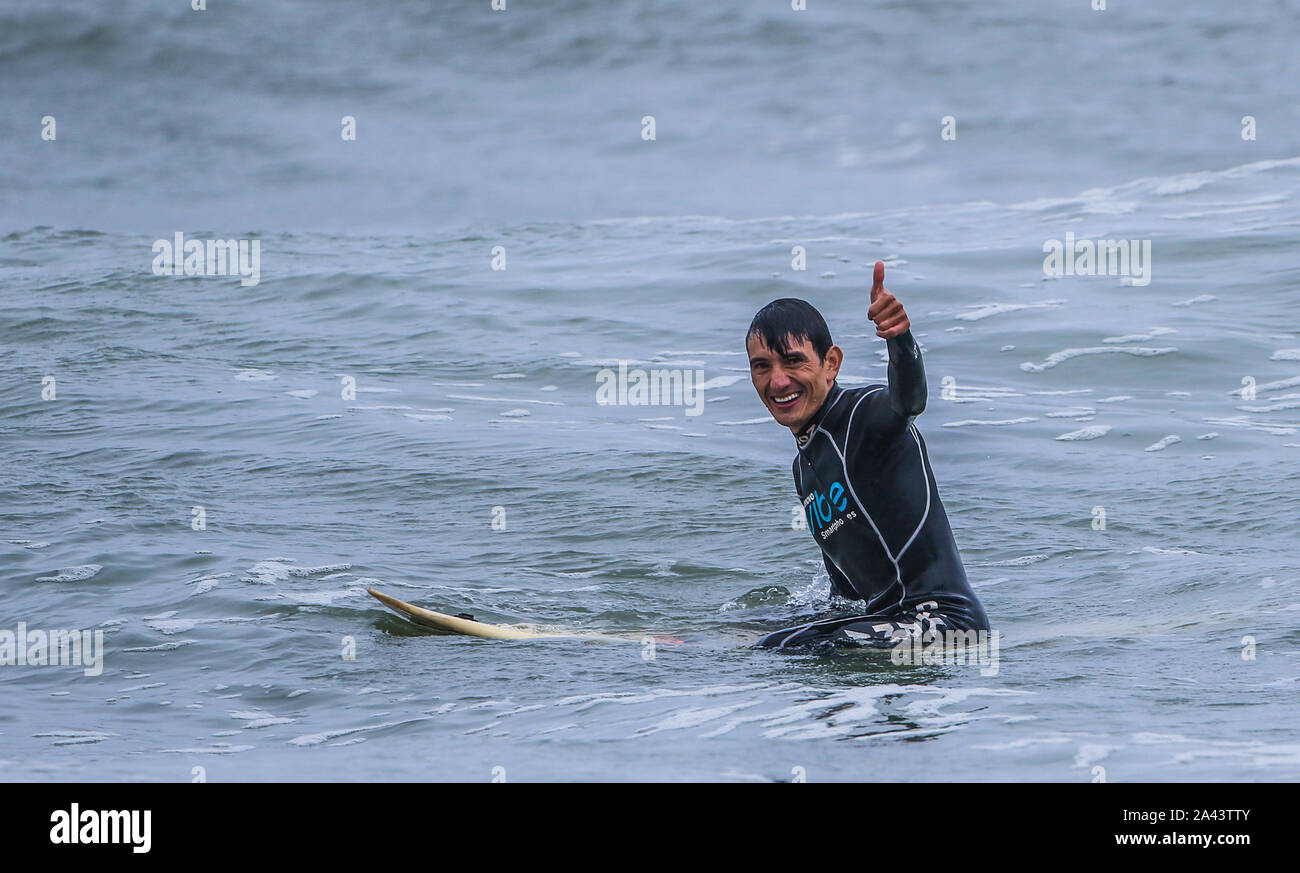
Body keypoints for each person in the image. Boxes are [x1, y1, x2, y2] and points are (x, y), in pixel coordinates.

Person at [747, 261, 988, 650]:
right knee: (760, 632)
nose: (777, 381)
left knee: (783, 648)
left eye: (793, 362)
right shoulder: (804, 466)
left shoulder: (865, 416)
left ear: (831, 364)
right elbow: (845, 597)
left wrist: (899, 339)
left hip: (945, 621)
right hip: (890, 623)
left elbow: (909, 401)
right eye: (762, 367)